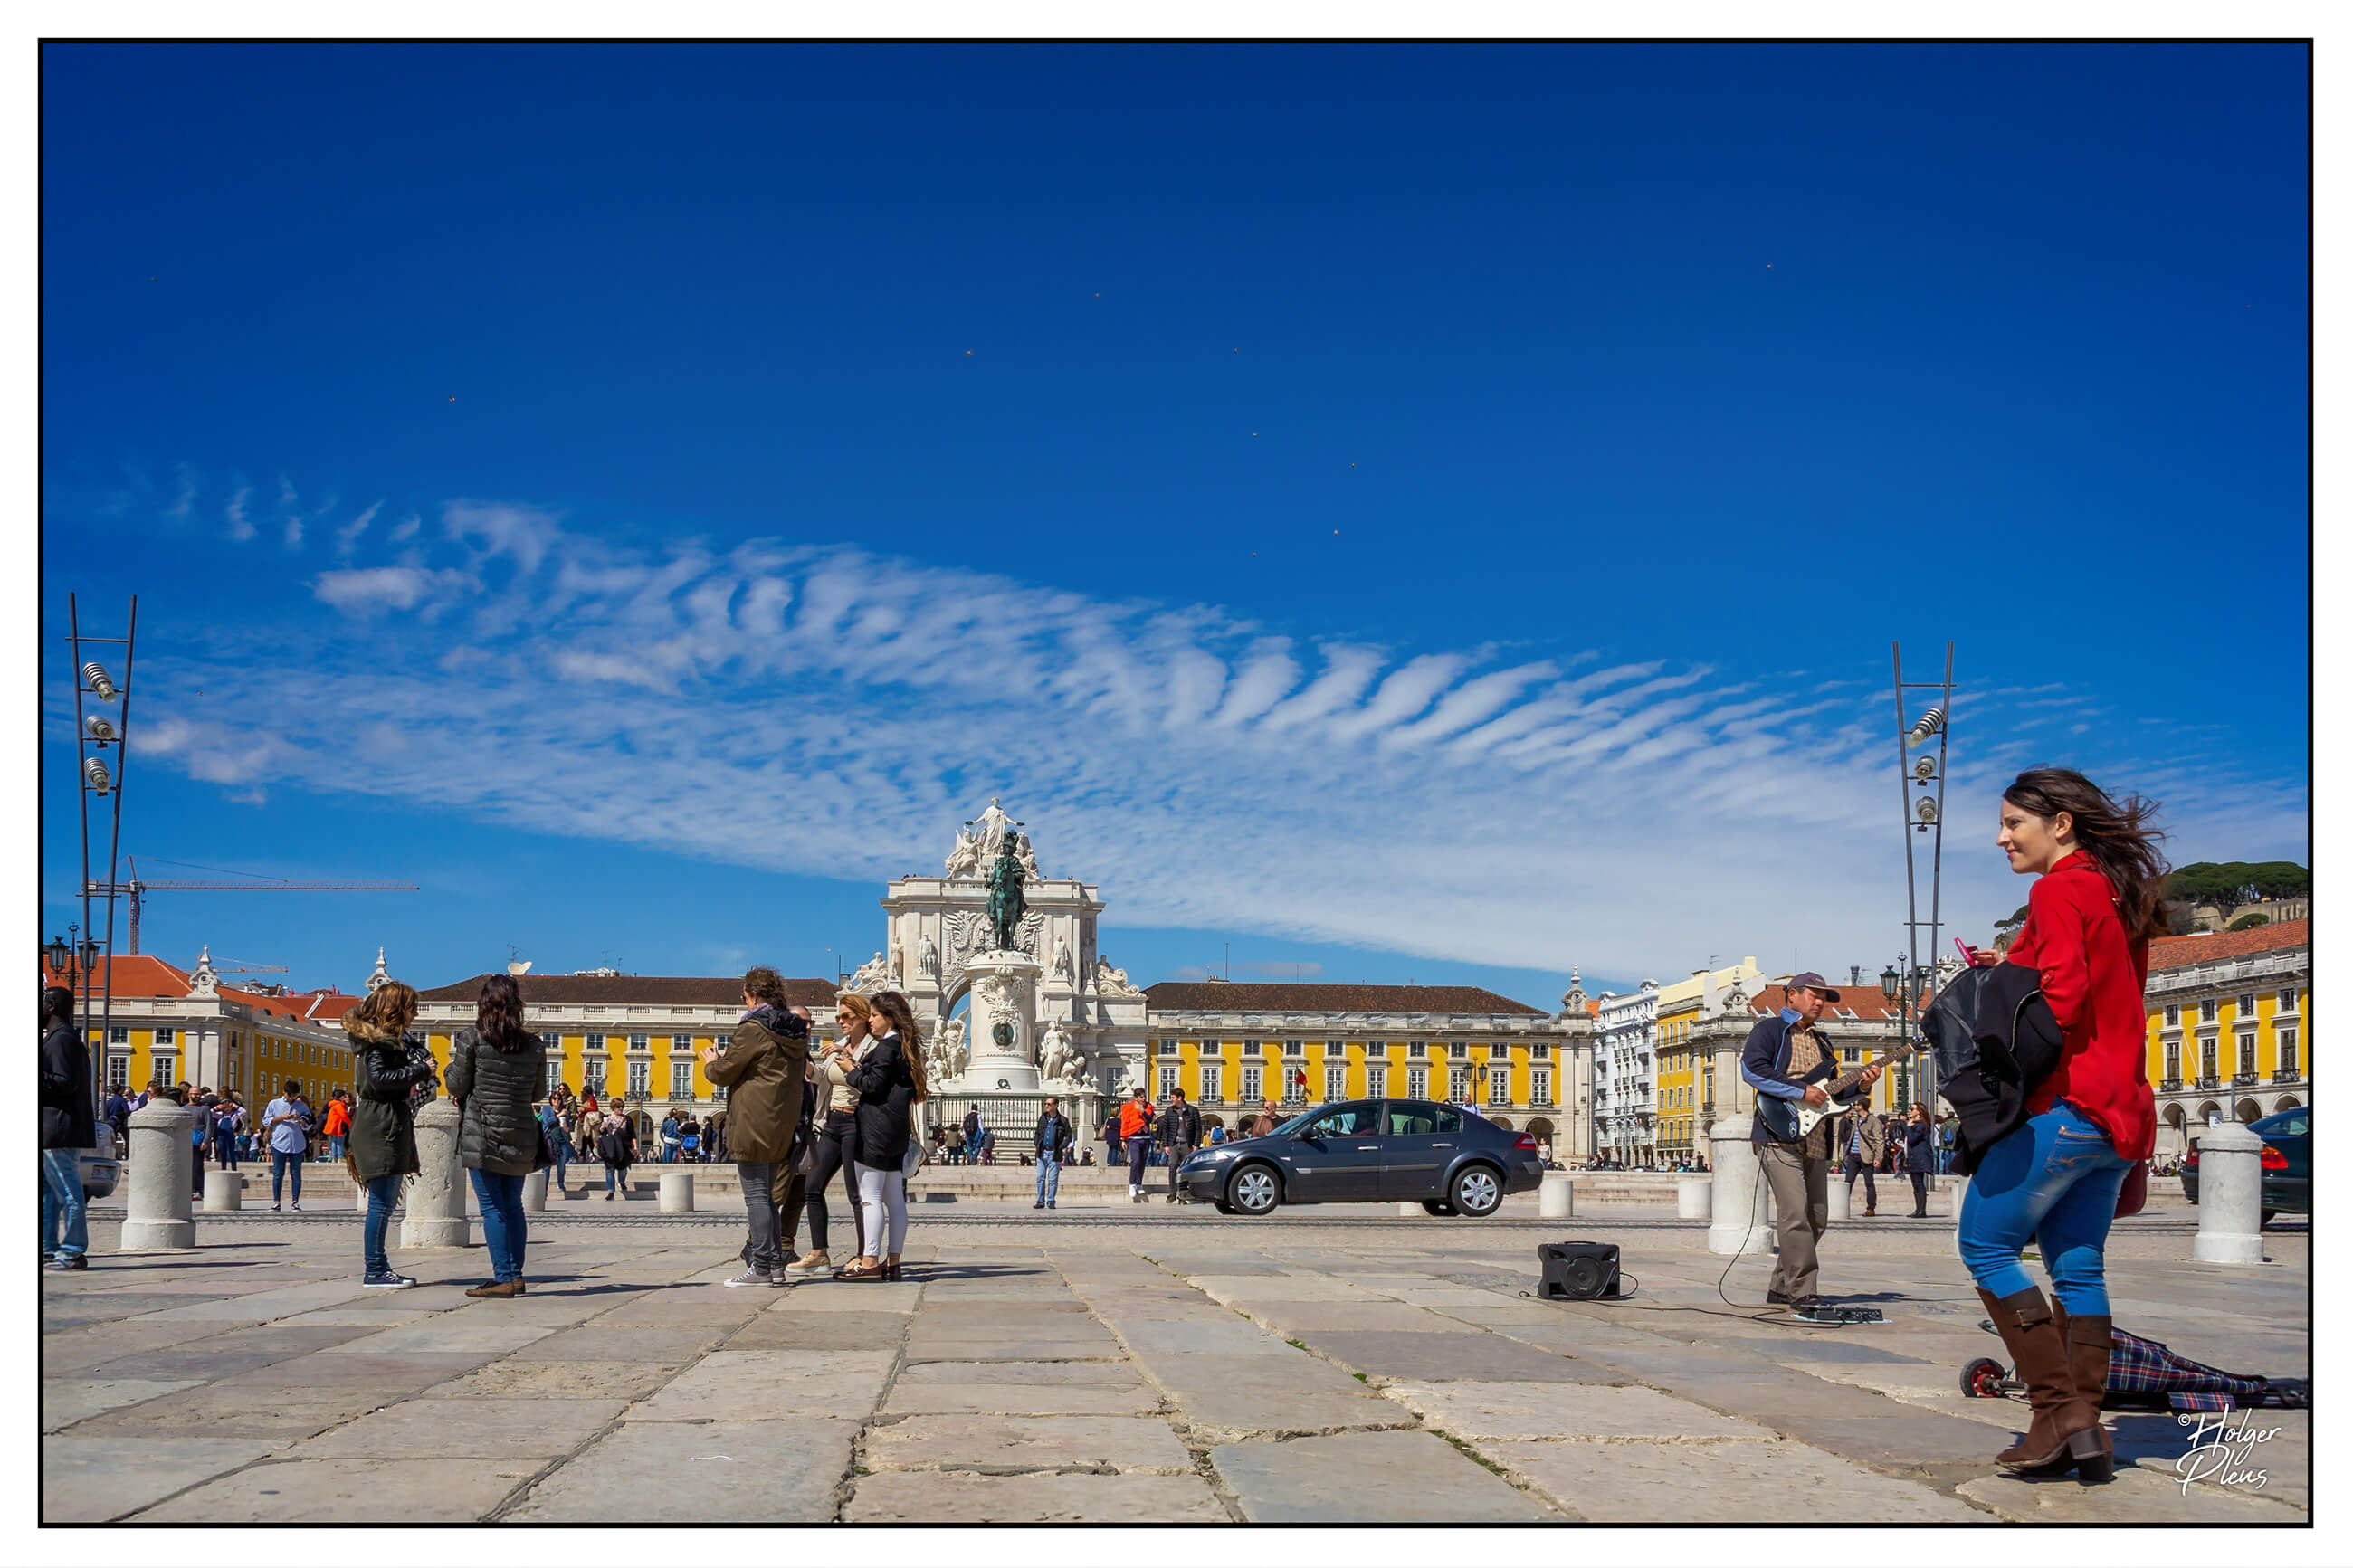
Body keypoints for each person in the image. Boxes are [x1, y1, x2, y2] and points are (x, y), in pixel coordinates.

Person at [1958, 769, 2163, 1485]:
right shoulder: (2113, 889)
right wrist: (2010, 961)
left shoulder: (2054, 888)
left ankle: (2059, 1410)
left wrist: (1992, 1032)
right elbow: (2098, 983)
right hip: (2121, 1115)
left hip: (2068, 1106)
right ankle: (2086, 1426)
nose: (2002, 835)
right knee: (2078, 1265)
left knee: (1984, 1243)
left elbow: (2065, 1001)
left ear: (2061, 824)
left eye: (2015, 822)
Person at [1740, 972, 1882, 1313]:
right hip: (1777, 1134)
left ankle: (1781, 1286)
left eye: (1824, 997)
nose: (1819, 1002)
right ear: (1791, 996)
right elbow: (1752, 1070)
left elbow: (1831, 1094)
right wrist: (1801, 1090)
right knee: (1794, 1215)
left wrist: (1862, 1086)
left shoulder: (1824, 1041)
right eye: (1813, 995)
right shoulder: (1770, 1031)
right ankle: (1804, 1291)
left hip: (1816, 1136)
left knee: (1817, 1217)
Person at [702, 966, 810, 1287]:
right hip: (781, 1120)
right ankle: (776, 1264)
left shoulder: (753, 1028)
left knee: (757, 1197)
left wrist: (711, 1060)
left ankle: (761, 1267)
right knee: (766, 1195)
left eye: (744, 996)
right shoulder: (794, 1030)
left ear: (753, 994)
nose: (745, 1002)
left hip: (753, 1120)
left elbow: (724, 1072)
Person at [447, 974, 548, 1298]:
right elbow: (539, 1091)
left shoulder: (471, 1038)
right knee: (513, 1205)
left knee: (492, 1208)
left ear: (483, 1004)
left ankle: (504, 1276)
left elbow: (456, 1085)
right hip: (520, 1131)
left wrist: (449, 1069)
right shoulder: (534, 1044)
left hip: (484, 1131)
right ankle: (515, 1275)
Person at [835, 990, 925, 1282]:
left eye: (874, 1015)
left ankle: (870, 1260)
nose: (869, 1020)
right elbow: (889, 1084)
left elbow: (873, 1086)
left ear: (889, 1018)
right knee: (894, 1200)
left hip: (875, 1130)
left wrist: (850, 1070)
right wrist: (859, 1065)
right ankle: (894, 1261)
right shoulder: (904, 1047)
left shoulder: (887, 1047)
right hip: (895, 1130)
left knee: (870, 1197)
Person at [347, 981, 432, 1288]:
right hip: (381, 1124)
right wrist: (422, 1071)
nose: (416, 1014)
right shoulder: (380, 1044)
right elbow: (380, 1080)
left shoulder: (385, 1042)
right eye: (412, 1008)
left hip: (384, 1121)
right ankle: (375, 1270)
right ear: (396, 1009)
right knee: (381, 1204)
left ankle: (378, 1268)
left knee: (383, 1203)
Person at [41, 987, 94, 1271]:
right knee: (49, 1192)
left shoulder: (61, 1040)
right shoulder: (61, 1038)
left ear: (51, 1005)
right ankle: (48, 1249)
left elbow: (64, 1082)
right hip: (54, 1127)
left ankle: (72, 1251)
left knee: (67, 1191)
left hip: (59, 1127)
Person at [262, 1079, 314, 1212]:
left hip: (297, 1143)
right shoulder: (274, 1104)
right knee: (278, 1173)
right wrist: (281, 1117)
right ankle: (276, 1202)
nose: (292, 1098)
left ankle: (295, 1202)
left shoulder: (301, 1106)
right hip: (279, 1142)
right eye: (290, 1095)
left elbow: (309, 1124)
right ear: (284, 1092)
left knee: (296, 1173)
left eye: (294, 1096)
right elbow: (266, 1121)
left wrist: (300, 1120)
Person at [1156, 1088, 1202, 1202]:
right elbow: (1166, 1129)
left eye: (1173, 1097)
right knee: (1172, 1167)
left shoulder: (1192, 1111)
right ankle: (1172, 1193)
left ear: (1179, 1098)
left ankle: (1183, 1195)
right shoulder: (1169, 1111)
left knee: (1185, 1170)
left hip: (1187, 1144)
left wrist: (1196, 1144)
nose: (1171, 1099)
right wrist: (1166, 1144)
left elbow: (1198, 1129)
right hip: (1174, 1144)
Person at [1844, 1101, 1886, 1216]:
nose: (1855, 1106)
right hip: (1853, 1155)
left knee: (1869, 1182)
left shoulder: (1873, 1121)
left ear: (1862, 1105)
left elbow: (1879, 1140)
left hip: (1867, 1156)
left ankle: (1871, 1208)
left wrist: (1878, 1157)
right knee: (1848, 1182)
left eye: (1857, 1104)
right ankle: (1842, 1205)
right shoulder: (1856, 1119)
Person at [1033, 1096, 1072, 1210]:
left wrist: (1061, 1147)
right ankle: (1040, 1201)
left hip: (1055, 1153)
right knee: (1040, 1177)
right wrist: (1036, 1142)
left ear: (1056, 1105)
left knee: (1052, 1179)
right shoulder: (1043, 1118)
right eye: (1046, 1104)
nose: (1046, 1106)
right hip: (1042, 1152)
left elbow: (1069, 1136)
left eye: (1049, 1104)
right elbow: (1038, 1132)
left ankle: (1050, 1201)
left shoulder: (1063, 1120)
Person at [1118, 1088, 1155, 1202]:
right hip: (1134, 1138)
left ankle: (1139, 1183)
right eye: (1141, 1097)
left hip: (1146, 1137)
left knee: (1143, 1162)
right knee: (1136, 1161)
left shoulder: (1149, 1107)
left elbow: (1150, 1120)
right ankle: (1132, 1183)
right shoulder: (1127, 1107)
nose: (1143, 1099)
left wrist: (1143, 1111)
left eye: (1144, 1096)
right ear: (1136, 1098)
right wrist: (1123, 1139)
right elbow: (1125, 1123)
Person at [1902, 1103, 1934, 1216]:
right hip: (1914, 1157)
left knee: (1918, 1183)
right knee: (1916, 1184)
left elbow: (1912, 1139)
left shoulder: (1921, 1125)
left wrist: (1908, 1128)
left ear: (1919, 1111)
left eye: (1912, 1109)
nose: (1910, 1111)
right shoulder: (1917, 1124)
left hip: (1919, 1157)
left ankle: (1921, 1210)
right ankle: (1918, 1209)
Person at [596, 1111, 636, 1199]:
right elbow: (601, 1132)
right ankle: (611, 1192)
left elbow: (632, 1134)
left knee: (623, 1168)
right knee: (609, 1169)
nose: (620, 1109)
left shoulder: (627, 1119)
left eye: (622, 1107)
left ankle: (621, 1182)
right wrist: (602, 1128)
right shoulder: (607, 1118)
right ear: (613, 1108)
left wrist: (635, 1147)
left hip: (623, 1146)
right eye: (618, 1107)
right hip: (610, 1146)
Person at [542, 1097, 573, 1194]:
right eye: (554, 1098)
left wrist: (567, 1127)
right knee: (547, 1165)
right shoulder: (547, 1109)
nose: (557, 1100)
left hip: (562, 1140)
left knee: (562, 1164)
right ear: (551, 1100)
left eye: (559, 1099)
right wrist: (559, 1115)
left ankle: (561, 1184)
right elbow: (547, 1122)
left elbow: (568, 1127)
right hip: (550, 1140)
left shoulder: (564, 1111)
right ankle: (544, 1188)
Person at [320, 1091, 350, 1162]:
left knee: (334, 1142)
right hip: (338, 1127)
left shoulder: (333, 1104)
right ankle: (340, 1157)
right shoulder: (339, 1105)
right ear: (341, 1097)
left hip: (333, 1126)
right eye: (345, 1096)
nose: (346, 1098)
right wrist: (350, 1125)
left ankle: (334, 1157)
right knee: (339, 1142)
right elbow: (344, 1116)